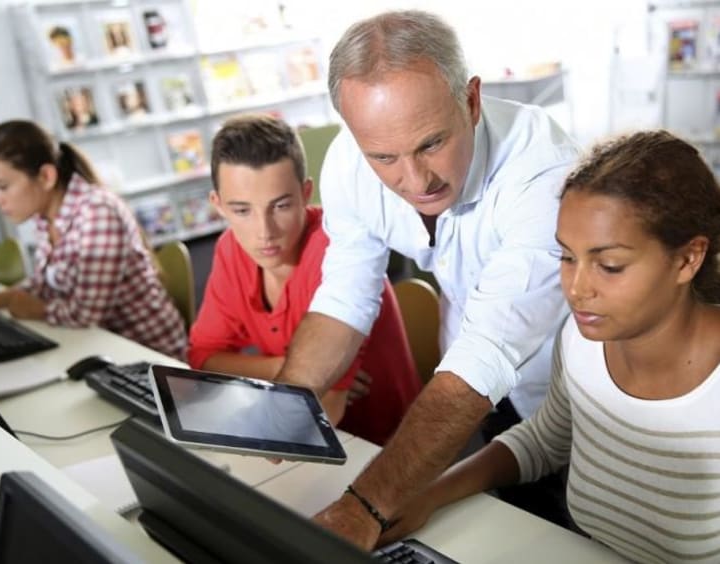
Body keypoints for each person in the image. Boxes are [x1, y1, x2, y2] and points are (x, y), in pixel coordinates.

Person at [272, 10, 581, 548]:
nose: (415, 180)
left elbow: (487, 353)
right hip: (478, 400)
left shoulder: (544, 172)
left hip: (568, 403)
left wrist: (365, 506)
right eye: (385, 157)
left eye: (432, 144)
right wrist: (283, 408)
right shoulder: (350, 159)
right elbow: (344, 294)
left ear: (472, 100)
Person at [379, 130, 720, 563]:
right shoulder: (580, 342)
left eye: (609, 266)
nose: (576, 289)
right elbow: (544, 440)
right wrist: (429, 494)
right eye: (567, 257)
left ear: (688, 259)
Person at [187, 114, 421, 446]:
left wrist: (276, 377)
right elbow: (204, 357)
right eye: (242, 211)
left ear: (306, 193)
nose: (264, 232)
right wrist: (285, 368)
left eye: (280, 206)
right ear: (218, 206)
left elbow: (322, 409)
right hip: (309, 435)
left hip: (379, 446)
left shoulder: (341, 252)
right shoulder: (230, 249)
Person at [0, 120, 186, 360]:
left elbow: (84, 315)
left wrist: (38, 309)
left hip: (147, 357)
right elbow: (44, 285)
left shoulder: (97, 213)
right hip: (97, 348)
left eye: (1, 186)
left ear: (45, 176)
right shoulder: (47, 217)